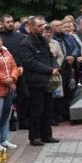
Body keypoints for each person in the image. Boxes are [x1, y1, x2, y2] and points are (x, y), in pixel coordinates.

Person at [18, 17, 60, 146]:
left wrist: (55, 67)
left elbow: (51, 56)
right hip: (35, 81)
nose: (42, 28)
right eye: (39, 26)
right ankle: (35, 136)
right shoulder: (26, 43)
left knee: (48, 109)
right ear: (31, 27)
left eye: (43, 25)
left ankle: (47, 135)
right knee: (36, 110)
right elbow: (30, 63)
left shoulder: (43, 40)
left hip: (48, 80)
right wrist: (49, 70)